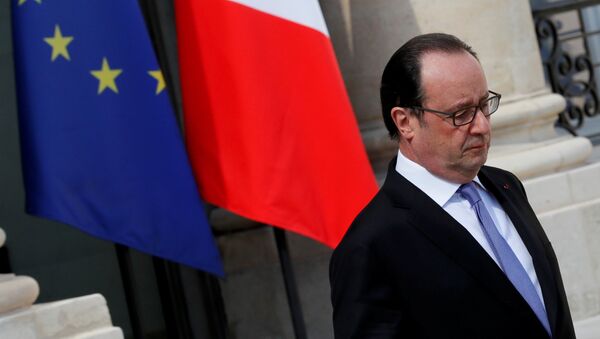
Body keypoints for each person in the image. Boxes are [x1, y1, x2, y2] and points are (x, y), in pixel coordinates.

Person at [329, 33, 575, 339]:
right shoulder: (370, 245)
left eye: (484, 105)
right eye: (461, 114)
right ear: (405, 121)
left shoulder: (506, 185)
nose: (482, 126)